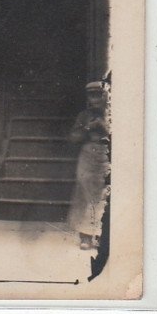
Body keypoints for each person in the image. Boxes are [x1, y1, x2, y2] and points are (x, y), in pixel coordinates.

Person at [67, 81, 110, 251]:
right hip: (88, 155)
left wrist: (104, 127)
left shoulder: (112, 115)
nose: (95, 99)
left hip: (106, 155)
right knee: (85, 194)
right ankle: (85, 236)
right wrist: (87, 127)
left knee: (104, 195)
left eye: (98, 95)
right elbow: (73, 138)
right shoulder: (84, 115)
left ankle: (100, 235)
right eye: (92, 96)